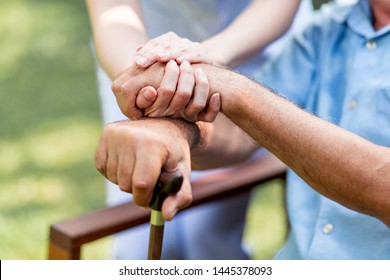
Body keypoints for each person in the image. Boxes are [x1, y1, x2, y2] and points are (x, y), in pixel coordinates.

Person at [96, 0, 390, 259]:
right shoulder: (328, 30)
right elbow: (237, 134)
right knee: (133, 250)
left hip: (231, 52)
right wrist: (172, 128)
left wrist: (227, 86)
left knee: (207, 238)